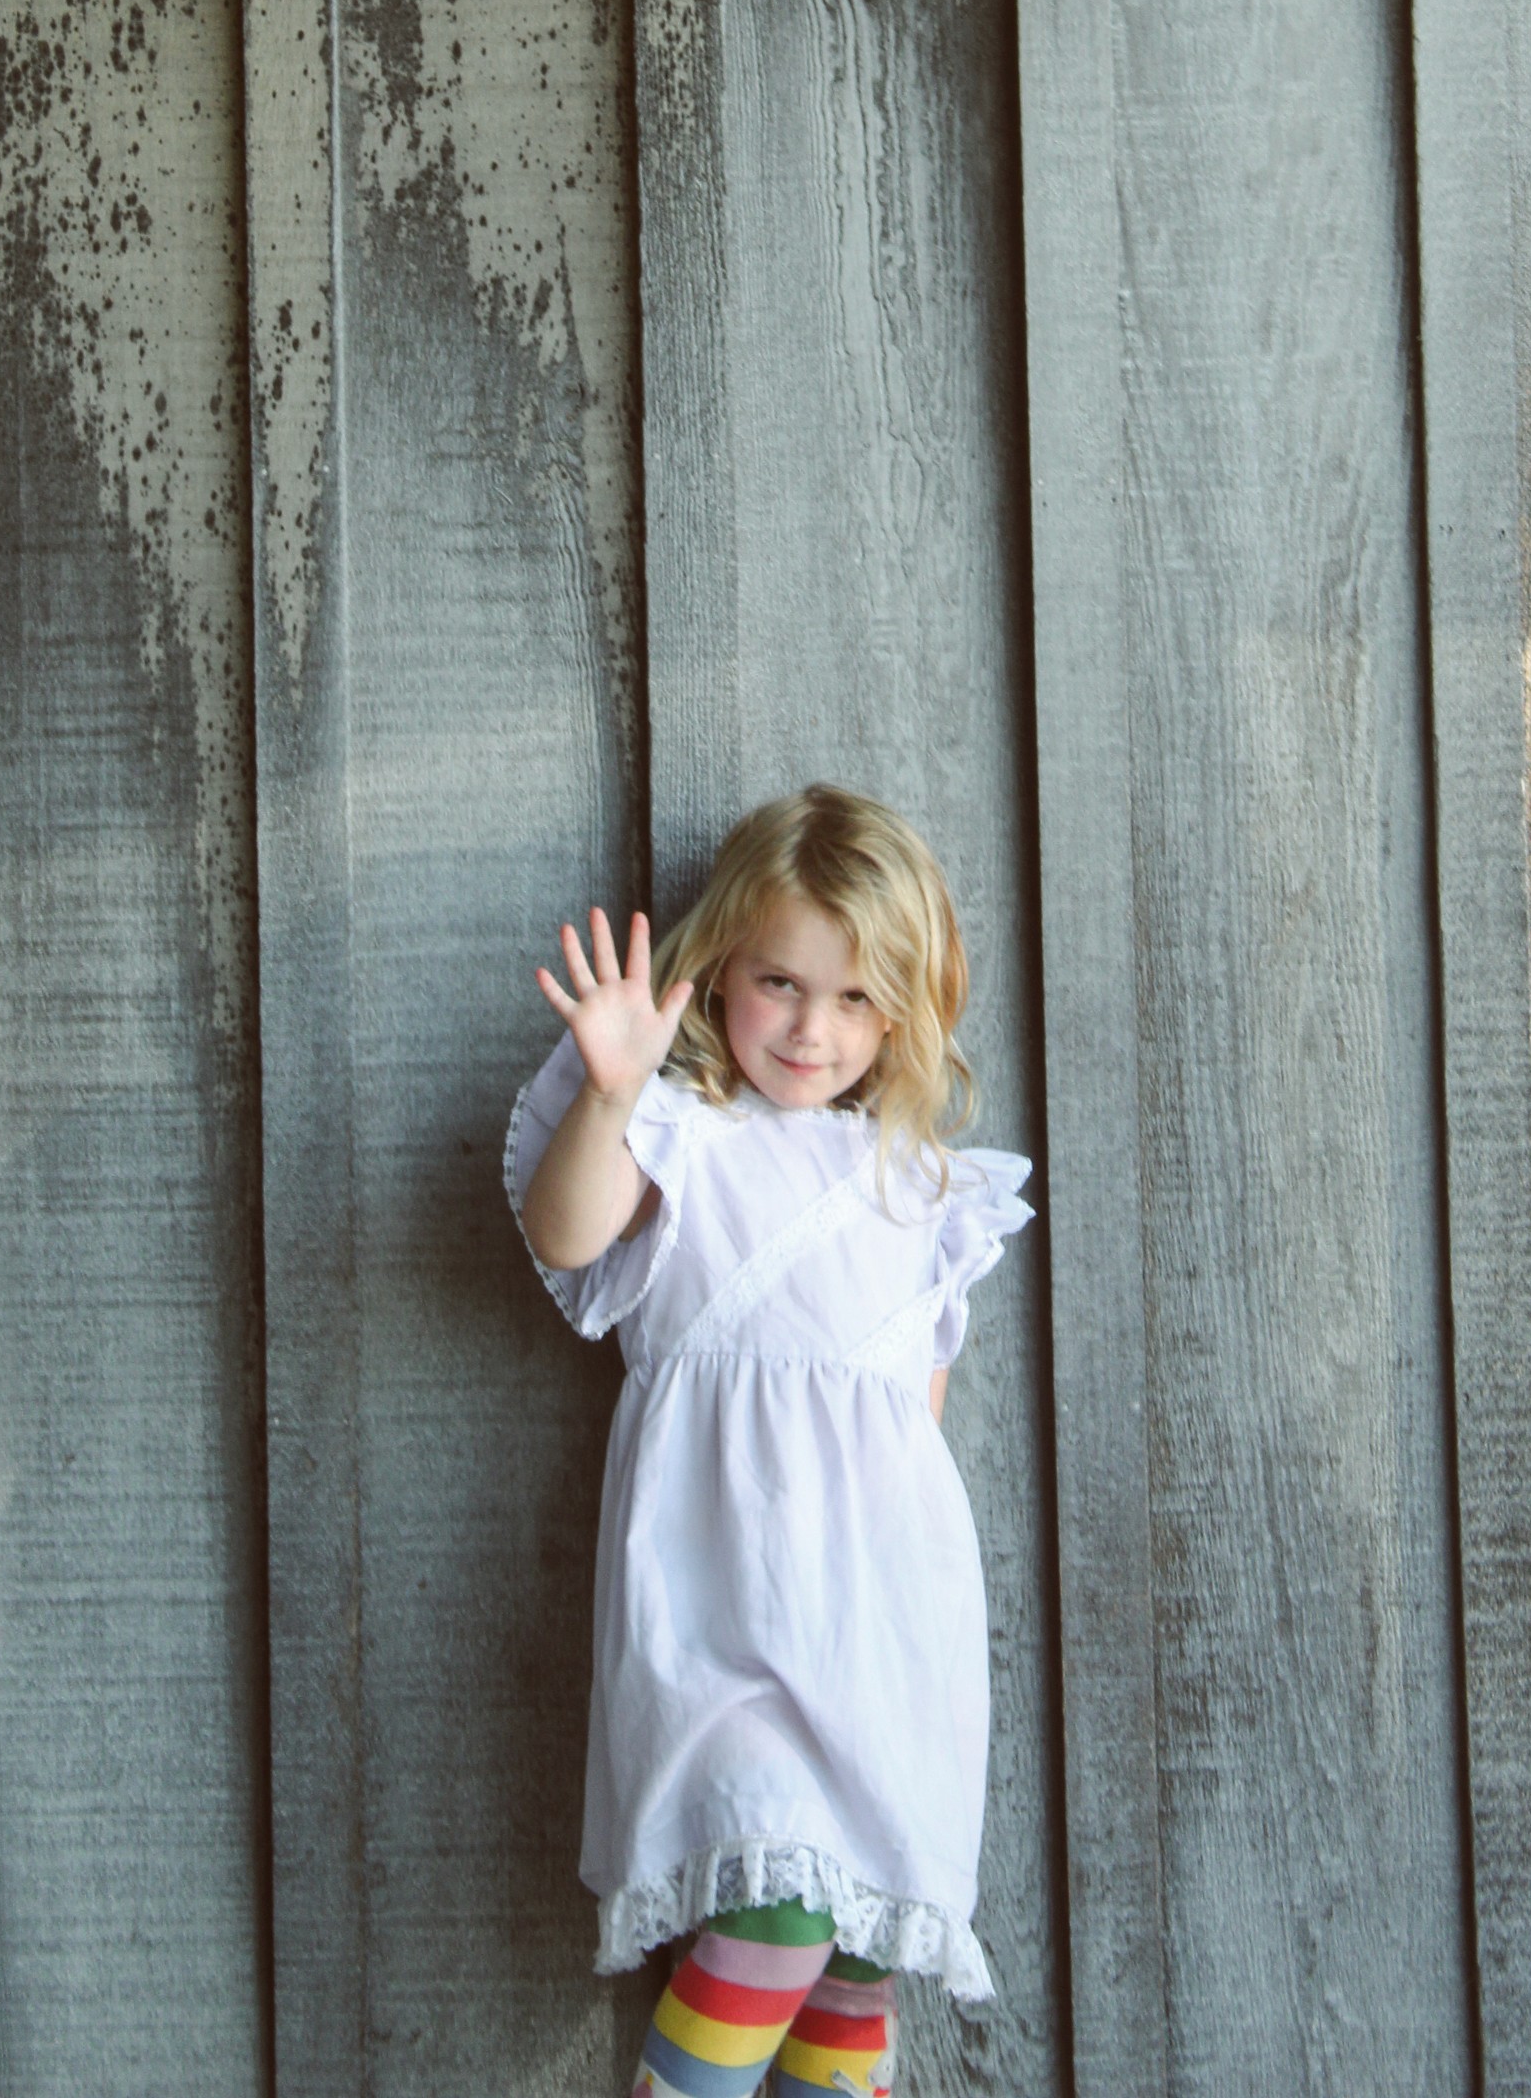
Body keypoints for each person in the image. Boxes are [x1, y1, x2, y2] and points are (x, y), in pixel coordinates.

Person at [506, 785, 1033, 2098]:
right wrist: (610, 1093)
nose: (812, 1028)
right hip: (723, 1608)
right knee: (773, 1915)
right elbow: (566, 1237)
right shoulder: (689, 1137)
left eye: (858, 999)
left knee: (853, 1956)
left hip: (881, 1629)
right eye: (781, 983)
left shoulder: (918, 1185)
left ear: (906, 1007)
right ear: (721, 965)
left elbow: (913, 1421)